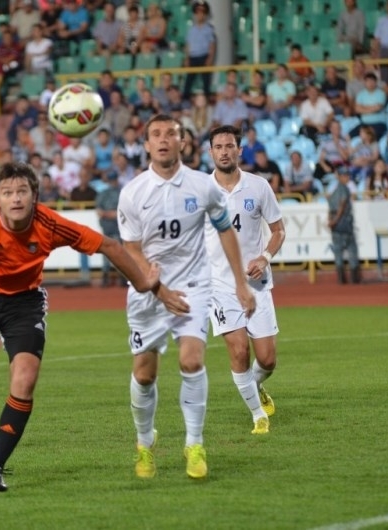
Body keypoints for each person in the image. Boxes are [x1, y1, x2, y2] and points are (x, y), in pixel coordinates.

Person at [0, 161, 170, 492]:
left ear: (34, 196)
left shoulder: (50, 224)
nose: (16, 198)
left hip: (25, 302)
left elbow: (109, 245)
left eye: (22, 191)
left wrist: (144, 284)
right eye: (7, 193)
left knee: (25, 378)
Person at [116, 114, 256, 481]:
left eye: (171, 134)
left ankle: (195, 443)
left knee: (192, 361)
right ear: (147, 145)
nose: (163, 139)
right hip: (148, 292)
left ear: (183, 142)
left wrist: (240, 283)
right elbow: (131, 250)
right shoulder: (133, 192)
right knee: (144, 375)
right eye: (156, 134)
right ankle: (144, 442)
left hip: (193, 285)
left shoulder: (202, 186)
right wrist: (159, 290)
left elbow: (225, 230)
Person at [205, 125, 286, 435]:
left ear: (239, 150)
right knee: (239, 350)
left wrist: (264, 257)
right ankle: (257, 416)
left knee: (267, 360)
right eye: (218, 147)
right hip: (219, 286)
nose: (224, 151)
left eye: (230, 146)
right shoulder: (200, 191)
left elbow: (278, 230)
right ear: (211, 152)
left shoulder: (259, 187)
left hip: (257, 284)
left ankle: (256, 386)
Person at [328, 167, 361, 284]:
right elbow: (342, 205)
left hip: (336, 224)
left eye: (347, 175)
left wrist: (331, 221)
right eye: (345, 175)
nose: (347, 177)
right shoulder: (344, 189)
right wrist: (335, 220)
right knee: (352, 249)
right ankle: (354, 278)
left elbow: (330, 208)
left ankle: (341, 279)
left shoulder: (334, 190)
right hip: (344, 222)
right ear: (340, 177)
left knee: (338, 251)